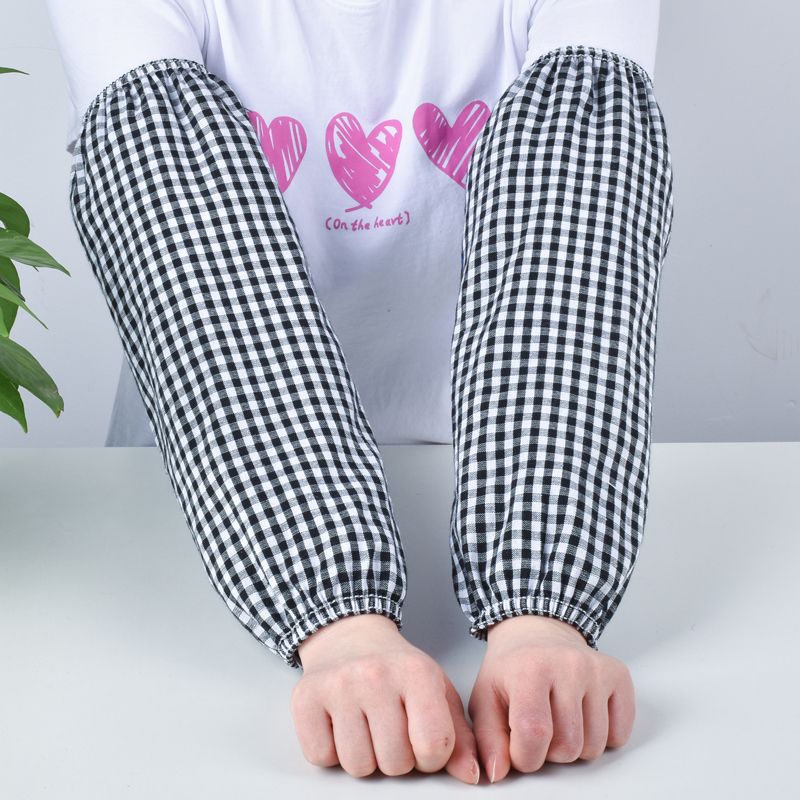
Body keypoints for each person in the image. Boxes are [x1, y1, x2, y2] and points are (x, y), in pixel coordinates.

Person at [45, 0, 674, 785]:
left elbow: (577, 209)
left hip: (509, 468)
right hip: (222, 497)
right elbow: (181, 215)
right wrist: (342, 625)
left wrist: (542, 614)